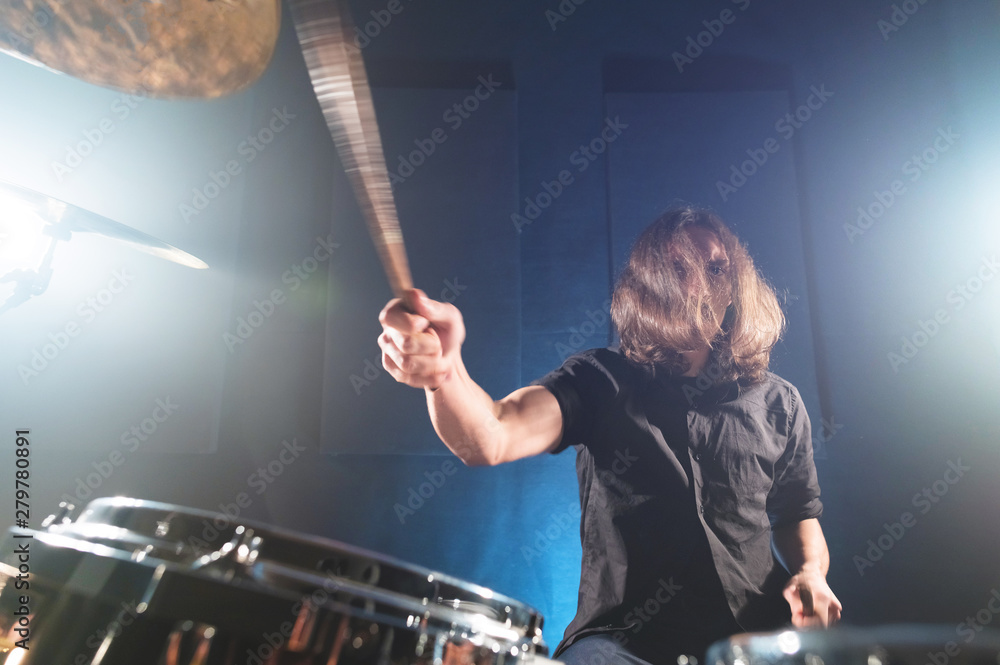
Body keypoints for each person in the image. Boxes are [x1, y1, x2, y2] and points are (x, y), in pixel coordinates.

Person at [377, 207, 841, 665]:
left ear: (737, 284)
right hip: (624, 646)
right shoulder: (599, 381)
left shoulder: (779, 402)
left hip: (754, 642)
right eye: (680, 269)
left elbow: (798, 514)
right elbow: (491, 436)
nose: (699, 286)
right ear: (648, 286)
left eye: (716, 269)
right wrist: (444, 373)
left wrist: (810, 573)